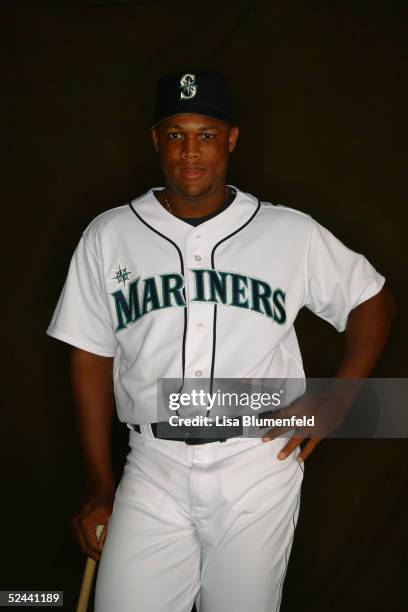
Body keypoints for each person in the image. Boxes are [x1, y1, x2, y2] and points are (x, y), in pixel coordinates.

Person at [46, 69, 395, 612]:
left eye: (206, 134)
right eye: (176, 134)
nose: (191, 151)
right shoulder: (109, 234)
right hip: (152, 462)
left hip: (257, 459)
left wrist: (341, 397)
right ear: (156, 140)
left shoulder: (288, 231)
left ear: (231, 139)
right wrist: (99, 483)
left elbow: (372, 300)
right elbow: (90, 354)